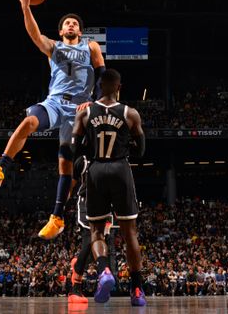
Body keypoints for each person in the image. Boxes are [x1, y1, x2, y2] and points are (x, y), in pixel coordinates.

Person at [0, 0, 105, 240]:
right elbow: (34, 34)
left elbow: (102, 75)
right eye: (66, 23)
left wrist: (96, 102)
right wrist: (25, 8)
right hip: (55, 102)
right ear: (61, 30)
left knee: (65, 166)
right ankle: (0, 169)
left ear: (80, 30)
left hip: (79, 109)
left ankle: (57, 218)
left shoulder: (90, 47)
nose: (70, 25)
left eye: (74, 24)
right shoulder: (53, 47)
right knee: (29, 121)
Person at [71, 68, 147, 306]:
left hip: (95, 171)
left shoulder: (84, 113)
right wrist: (124, 149)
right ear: (119, 87)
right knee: (129, 232)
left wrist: (89, 151)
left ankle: (104, 271)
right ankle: (136, 290)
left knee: (96, 230)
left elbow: (75, 147)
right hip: (120, 169)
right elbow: (142, 150)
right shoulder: (130, 113)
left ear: (99, 87)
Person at [67, 155, 117, 306]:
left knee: (100, 245)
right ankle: (76, 288)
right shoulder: (83, 160)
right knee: (91, 239)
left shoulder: (114, 159)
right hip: (86, 202)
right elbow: (69, 184)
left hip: (106, 204)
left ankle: (79, 266)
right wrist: (59, 208)